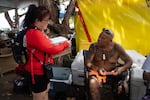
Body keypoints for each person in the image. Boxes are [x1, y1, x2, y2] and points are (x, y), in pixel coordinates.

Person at [22, 4, 70, 100]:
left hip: (43, 70)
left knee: (46, 91)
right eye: (46, 20)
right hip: (36, 72)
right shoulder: (34, 33)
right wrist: (65, 44)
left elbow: (46, 45)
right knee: (39, 95)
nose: (48, 22)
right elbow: (51, 49)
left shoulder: (37, 31)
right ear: (37, 20)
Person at [85, 28, 132, 100]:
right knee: (92, 83)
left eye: (103, 38)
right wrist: (97, 68)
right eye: (99, 36)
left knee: (123, 87)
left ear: (110, 41)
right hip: (97, 73)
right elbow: (88, 63)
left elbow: (129, 61)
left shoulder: (117, 48)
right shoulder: (94, 47)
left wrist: (120, 69)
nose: (99, 39)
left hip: (112, 74)